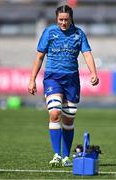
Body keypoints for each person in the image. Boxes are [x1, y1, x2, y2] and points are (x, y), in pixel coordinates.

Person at [28, 4, 99, 167]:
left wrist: (93, 72)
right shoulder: (49, 32)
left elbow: (87, 54)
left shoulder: (78, 34)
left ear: (71, 18)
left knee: (68, 119)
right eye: (60, 20)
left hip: (72, 80)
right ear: (56, 19)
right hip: (53, 78)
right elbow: (39, 57)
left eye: (66, 20)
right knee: (54, 113)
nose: (63, 23)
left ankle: (66, 156)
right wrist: (32, 79)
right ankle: (56, 155)